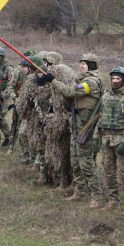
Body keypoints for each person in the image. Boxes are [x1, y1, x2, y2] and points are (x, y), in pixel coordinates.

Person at [36, 53, 104, 209]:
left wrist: (51, 80)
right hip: (76, 127)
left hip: (86, 129)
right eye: (80, 63)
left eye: (84, 64)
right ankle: (79, 190)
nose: (81, 66)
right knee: (75, 161)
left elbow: (70, 92)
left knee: (86, 163)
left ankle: (96, 196)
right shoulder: (82, 81)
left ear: (91, 66)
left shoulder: (91, 82)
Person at [93, 67, 124, 215]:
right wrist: (96, 137)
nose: (114, 81)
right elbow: (99, 119)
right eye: (113, 78)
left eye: (117, 79)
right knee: (108, 172)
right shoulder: (105, 97)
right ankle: (113, 201)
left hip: (120, 140)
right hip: (106, 140)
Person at [16, 56, 52, 184]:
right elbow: (22, 102)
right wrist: (27, 107)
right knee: (39, 146)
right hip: (35, 119)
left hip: (50, 119)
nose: (40, 77)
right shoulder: (30, 82)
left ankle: (50, 172)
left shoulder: (51, 82)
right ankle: (42, 171)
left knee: (49, 146)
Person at [42, 52, 75, 193]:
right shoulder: (68, 70)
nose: (45, 66)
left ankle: (63, 182)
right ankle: (61, 180)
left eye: (46, 63)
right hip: (64, 114)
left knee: (59, 150)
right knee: (64, 150)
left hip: (61, 117)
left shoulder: (56, 70)